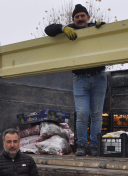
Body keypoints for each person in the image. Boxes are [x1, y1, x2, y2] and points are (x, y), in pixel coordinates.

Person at [45, 4, 107, 156]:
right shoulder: (70, 30)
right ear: (73, 19)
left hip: (99, 77)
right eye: (77, 17)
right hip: (80, 79)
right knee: (82, 113)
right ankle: (81, 146)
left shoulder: (94, 27)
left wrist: (103, 27)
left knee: (96, 114)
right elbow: (48, 30)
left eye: (83, 16)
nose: (80, 19)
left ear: (88, 17)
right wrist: (63, 28)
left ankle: (94, 146)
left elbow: (110, 33)